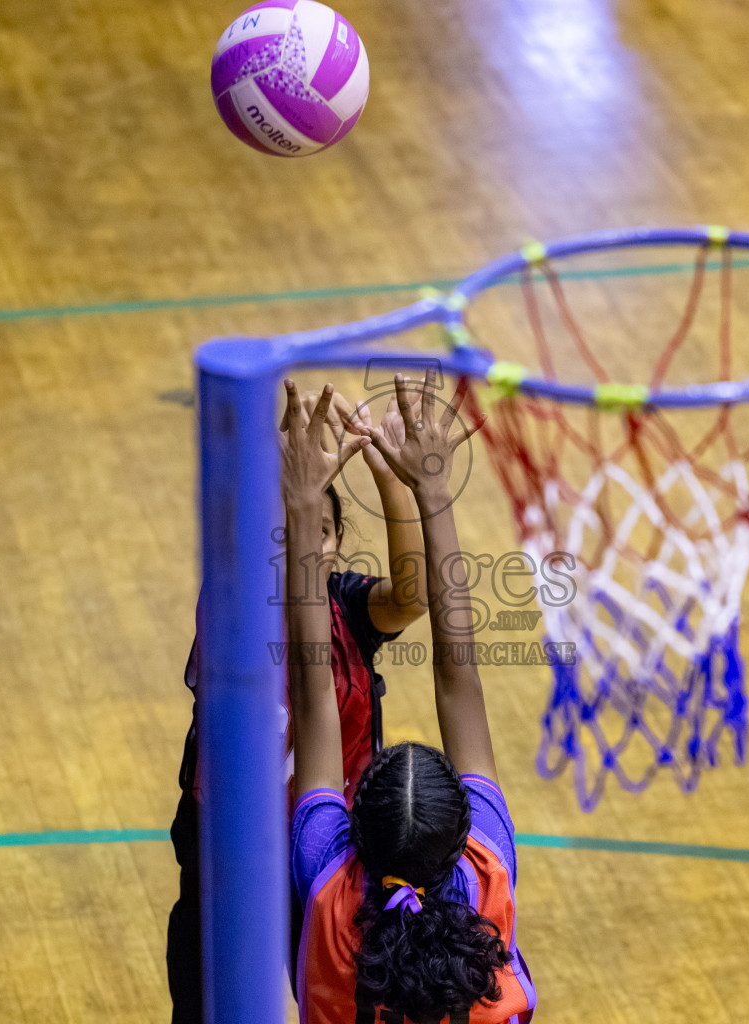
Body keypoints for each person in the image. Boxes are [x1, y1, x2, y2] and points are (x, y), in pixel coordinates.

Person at [167, 390, 430, 1023]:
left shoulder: (347, 607)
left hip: (332, 847)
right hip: (231, 849)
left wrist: (387, 472)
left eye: (319, 529)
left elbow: (417, 593)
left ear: (338, 542)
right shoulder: (230, 606)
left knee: (341, 1000)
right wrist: (287, 478)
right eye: (285, 529)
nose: (304, 542)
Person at [284, 374, 535, 1024]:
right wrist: (431, 489)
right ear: (463, 835)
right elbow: (462, 684)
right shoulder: (485, 875)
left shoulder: (328, 890)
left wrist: (302, 505)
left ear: (351, 832)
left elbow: (314, 697)